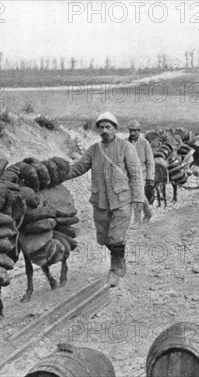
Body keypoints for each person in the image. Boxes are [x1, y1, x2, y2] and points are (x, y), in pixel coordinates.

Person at [64, 112, 144, 287]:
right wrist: (57, 174)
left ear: (115, 128)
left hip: (122, 199)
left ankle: (115, 268)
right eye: (101, 127)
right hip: (100, 200)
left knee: (116, 237)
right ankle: (119, 255)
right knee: (104, 238)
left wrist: (138, 198)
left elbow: (136, 174)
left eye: (108, 127)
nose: (104, 130)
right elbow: (78, 168)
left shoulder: (126, 147)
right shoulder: (93, 150)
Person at [127, 120, 155, 226]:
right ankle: (148, 213)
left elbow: (150, 161)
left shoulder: (145, 143)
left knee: (138, 195)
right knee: (139, 195)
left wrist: (150, 177)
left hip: (141, 172)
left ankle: (137, 221)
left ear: (139, 131)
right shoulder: (124, 143)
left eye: (135, 131)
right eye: (131, 131)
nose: (133, 133)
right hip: (128, 173)